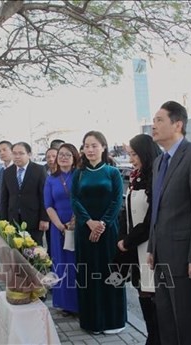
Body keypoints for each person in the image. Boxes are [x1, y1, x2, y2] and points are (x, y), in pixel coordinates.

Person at [147, 101, 191, 345]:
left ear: (178, 124)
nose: (153, 126)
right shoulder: (159, 162)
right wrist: (152, 248)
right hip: (162, 254)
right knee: (166, 319)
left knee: (187, 321)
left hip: (186, 257)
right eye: (154, 121)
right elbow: (157, 209)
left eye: (159, 120)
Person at [71, 130, 126, 335]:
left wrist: (102, 224)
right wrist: (89, 223)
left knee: (111, 273)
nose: (90, 149)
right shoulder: (80, 173)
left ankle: (114, 320)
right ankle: (91, 321)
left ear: (103, 147)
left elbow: (117, 200)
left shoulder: (112, 172)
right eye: (86, 146)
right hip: (85, 232)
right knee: (88, 274)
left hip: (108, 232)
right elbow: (74, 200)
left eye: (94, 145)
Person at [117, 134, 162, 345]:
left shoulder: (156, 176)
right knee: (143, 295)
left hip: (149, 247)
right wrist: (123, 238)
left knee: (153, 300)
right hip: (135, 248)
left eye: (134, 154)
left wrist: (128, 241)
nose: (132, 159)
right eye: (129, 154)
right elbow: (128, 212)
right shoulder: (137, 176)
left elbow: (150, 217)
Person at [43, 143, 80, 315]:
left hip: (79, 225)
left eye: (68, 155)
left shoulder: (80, 175)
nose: (63, 157)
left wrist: (74, 222)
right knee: (62, 265)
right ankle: (66, 304)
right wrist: (59, 225)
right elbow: (49, 205)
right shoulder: (51, 179)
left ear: (74, 158)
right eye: (61, 155)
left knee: (77, 264)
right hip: (58, 228)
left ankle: (81, 303)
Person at [0, 142, 49, 245]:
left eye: (21, 153)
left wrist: (44, 219)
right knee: (16, 253)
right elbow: (4, 198)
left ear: (29, 154)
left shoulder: (39, 170)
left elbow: (44, 196)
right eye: (14, 153)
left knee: (35, 252)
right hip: (13, 220)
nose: (17, 156)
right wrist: (2, 221)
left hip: (34, 220)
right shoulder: (7, 172)